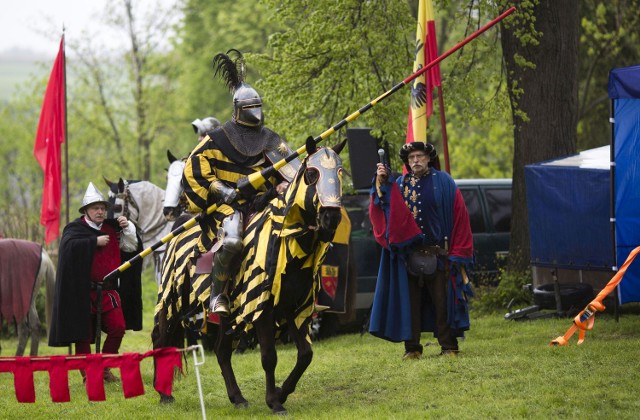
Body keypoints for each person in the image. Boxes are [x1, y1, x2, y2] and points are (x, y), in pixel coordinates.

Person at [182, 49, 298, 317]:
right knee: (232, 241)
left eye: (257, 107)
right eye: (248, 108)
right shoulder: (217, 139)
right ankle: (217, 295)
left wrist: (283, 186)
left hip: (262, 201)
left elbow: (291, 169)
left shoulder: (270, 139)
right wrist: (221, 189)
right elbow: (195, 169)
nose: (254, 113)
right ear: (237, 110)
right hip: (227, 207)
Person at [368, 141, 474, 359]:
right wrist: (382, 182)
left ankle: (448, 346)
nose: (415, 160)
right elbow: (384, 205)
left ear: (429, 158)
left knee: (442, 303)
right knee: (411, 305)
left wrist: (457, 252)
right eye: (411, 158)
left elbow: (460, 215)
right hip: (409, 257)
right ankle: (413, 348)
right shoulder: (398, 184)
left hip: (439, 256)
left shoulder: (444, 182)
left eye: (419, 156)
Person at [48, 182, 140, 382]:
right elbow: (68, 249)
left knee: (118, 328)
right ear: (86, 211)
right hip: (82, 292)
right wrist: (93, 241)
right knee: (83, 334)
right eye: (95, 208)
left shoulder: (111, 228)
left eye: (102, 208)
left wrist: (128, 226)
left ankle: (104, 369)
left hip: (107, 291)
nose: (99, 212)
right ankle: (89, 374)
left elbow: (131, 247)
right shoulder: (75, 229)